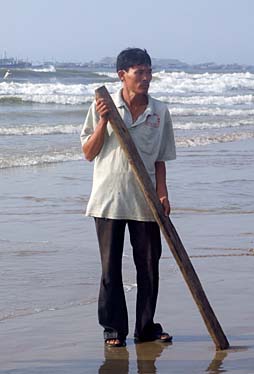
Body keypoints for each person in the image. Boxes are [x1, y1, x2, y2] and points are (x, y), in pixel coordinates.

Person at [80, 48, 176, 348]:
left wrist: (162, 193)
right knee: (110, 268)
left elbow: (160, 158)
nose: (146, 78)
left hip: (145, 200)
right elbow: (88, 152)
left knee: (149, 264)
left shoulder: (159, 111)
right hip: (108, 199)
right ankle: (113, 330)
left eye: (149, 71)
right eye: (139, 72)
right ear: (122, 75)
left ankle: (145, 328)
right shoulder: (101, 106)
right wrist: (103, 122)